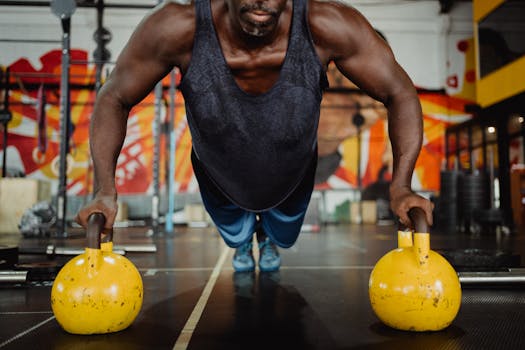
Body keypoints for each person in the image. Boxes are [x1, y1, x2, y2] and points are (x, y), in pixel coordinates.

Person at [75, 0, 434, 272]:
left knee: (282, 233)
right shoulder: (178, 27)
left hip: (292, 173)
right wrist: (105, 189)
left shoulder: (327, 25)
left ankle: (267, 238)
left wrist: (401, 184)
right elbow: (115, 96)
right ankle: (246, 240)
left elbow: (399, 91)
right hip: (219, 173)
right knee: (234, 231)